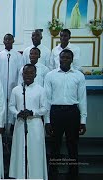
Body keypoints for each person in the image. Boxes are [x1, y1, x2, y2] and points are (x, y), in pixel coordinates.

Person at [45, 49, 87, 180]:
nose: (65, 60)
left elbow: (82, 99)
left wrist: (83, 120)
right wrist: (47, 120)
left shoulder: (79, 76)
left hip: (72, 113)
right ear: (59, 59)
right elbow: (47, 99)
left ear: (72, 59)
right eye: (63, 57)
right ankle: (53, 173)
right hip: (55, 113)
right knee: (55, 146)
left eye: (68, 58)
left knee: (72, 146)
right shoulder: (50, 75)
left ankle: (73, 174)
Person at [9, 64, 48, 180]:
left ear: (35, 75)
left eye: (31, 73)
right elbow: (11, 106)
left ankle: (35, 176)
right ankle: (21, 176)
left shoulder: (41, 90)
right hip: (20, 123)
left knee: (35, 151)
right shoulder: (16, 90)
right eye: (26, 73)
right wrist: (17, 113)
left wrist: (33, 112)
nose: (28, 75)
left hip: (35, 124)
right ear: (22, 74)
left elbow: (45, 109)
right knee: (20, 150)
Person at [0, 33, 23, 126]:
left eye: (10, 39)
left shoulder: (18, 55)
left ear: (13, 41)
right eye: (6, 39)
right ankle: (2, 124)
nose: (8, 41)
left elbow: (20, 72)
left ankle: (11, 124)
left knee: (13, 104)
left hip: (14, 85)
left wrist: (18, 86)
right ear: (3, 41)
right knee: (2, 104)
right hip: (2, 84)